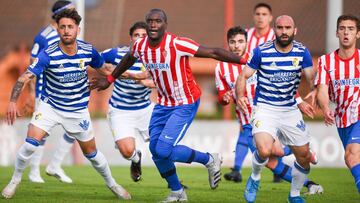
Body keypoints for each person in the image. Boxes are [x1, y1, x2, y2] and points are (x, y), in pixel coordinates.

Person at [90, 8, 247, 202]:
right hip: (163, 103)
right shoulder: (140, 46)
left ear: (165, 25)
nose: (153, 24)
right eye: (150, 21)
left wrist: (245, 60)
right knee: (156, 151)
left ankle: (209, 159)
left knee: (163, 149)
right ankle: (177, 192)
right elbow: (129, 58)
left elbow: (213, 52)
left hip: (185, 102)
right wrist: (110, 79)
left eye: (158, 21)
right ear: (146, 24)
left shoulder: (177, 43)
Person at [1, 9, 130, 200]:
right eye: (63, 27)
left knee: (92, 154)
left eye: (70, 27)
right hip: (50, 107)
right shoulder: (49, 54)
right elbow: (25, 77)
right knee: (30, 144)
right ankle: (15, 180)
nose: (66, 30)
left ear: (78, 29)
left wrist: (127, 76)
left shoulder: (88, 51)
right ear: (58, 30)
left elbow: (104, 68)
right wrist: (12, 102)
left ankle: (113, 184)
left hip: (77, 111)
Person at [218, 26, 323, 195]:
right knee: (271, 160)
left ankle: (303, 160)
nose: (236, 46)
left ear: (247, 43)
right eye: (232, 42)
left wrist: (299, 101)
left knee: (274, 154)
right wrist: (225, 98)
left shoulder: (259, 57)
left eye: (240, 41)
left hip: (268, 112)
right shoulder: (221, 69)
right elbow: (222, 96)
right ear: (228, 44)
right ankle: (309, 181)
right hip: (247, 121)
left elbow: (283, 83)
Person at [236, 15, 315, 203]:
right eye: (280, 27)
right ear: (275, 30)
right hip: (265, 108)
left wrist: (312, 93)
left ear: (294, 30)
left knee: (304, 157)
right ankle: (255, 177)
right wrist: (240, 96)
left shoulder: (302, 52)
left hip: (290, 110)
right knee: (264, 150)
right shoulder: (261, 51)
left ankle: (294, 195)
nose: (284, 31)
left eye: (288, 27)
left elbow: (313, 79)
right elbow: (243, 76)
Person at [25, 0, 76, 184]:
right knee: (41, 133)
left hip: (68, 94)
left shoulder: (71, 32)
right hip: (46, 93)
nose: (75, 13)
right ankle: (33, 172)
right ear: (61, 14)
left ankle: (54, 165)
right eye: (71, 10)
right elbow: (33, 64)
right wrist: (31, 94)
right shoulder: (44, 36)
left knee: (76, 130)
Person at [101, 21, 154, 182]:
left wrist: (146, 82)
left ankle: (174, 183)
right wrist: (106, 71)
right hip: (120, 110)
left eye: (143, 36)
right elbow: (94, 59)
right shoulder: (116, 54)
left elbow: (165, 82)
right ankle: (135, 159)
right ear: (131, 38)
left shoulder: (155, 56)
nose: (139, 38)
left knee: (163, 148)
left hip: (146, 109)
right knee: (126, 151)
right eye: (136, 35)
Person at [315, 14, 360, 193]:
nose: (346, 33)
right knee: (352, 160)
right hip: (342, 118)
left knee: (351, 156)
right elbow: (323, 91)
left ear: (357, 34)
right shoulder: (326, 62)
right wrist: (325, 108)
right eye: (342, 29)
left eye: (350, 29)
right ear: (336, 33)